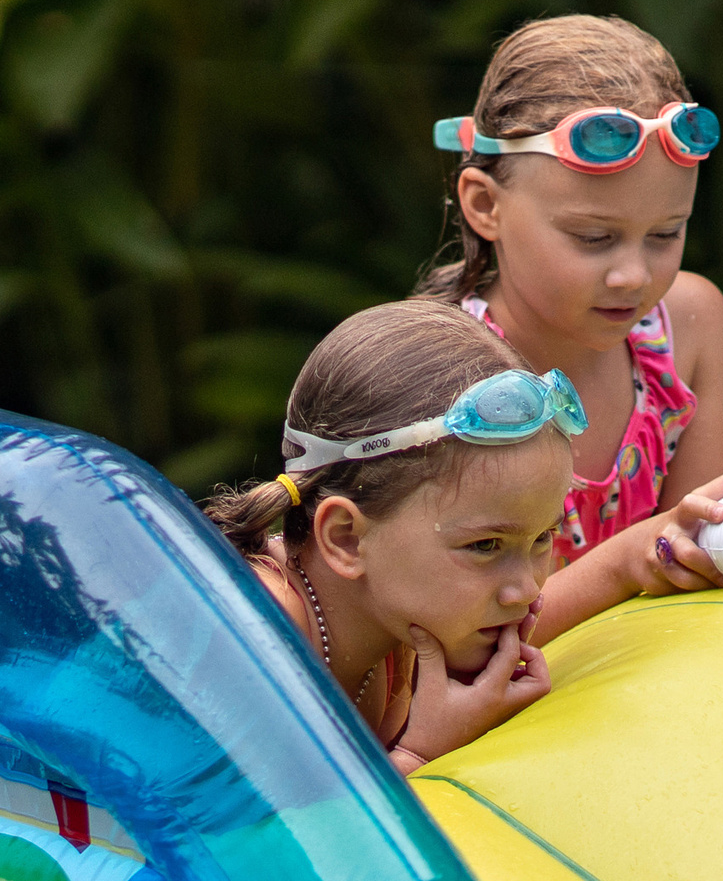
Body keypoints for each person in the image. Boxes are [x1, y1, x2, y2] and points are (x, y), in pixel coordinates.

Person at [424, 14, 723, 639]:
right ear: (484, 205)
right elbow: (453, 645)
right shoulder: (443, 382)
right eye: (593, 237)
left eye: (666, 234)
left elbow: (714, 550)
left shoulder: (687, 324)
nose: (632, 275)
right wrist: (624, 565)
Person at [205, 299, 569, 773]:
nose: (527, 590)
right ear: (347, 539)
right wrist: (422, 753)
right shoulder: (255, 639)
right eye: (485, 545)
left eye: (543, 538)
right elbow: (252, 843)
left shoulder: (396, 616)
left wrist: (636, 562)